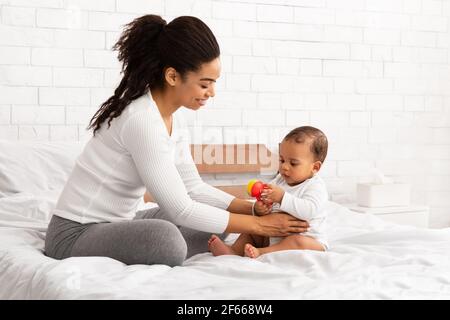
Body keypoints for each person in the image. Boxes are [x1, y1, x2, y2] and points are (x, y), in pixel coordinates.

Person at [44, 14, 309, 267]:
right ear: (172, 76)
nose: (212, 92)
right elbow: (181, 208)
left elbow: (192, 187)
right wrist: (261, 226)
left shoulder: (171, 118)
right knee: (168, 240)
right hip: (74, 234)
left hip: (118, 223)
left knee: (210, 226)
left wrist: (252, 211)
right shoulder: (141, 119)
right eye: (205, 84)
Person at [208, 126, 329, 258]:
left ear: (315, 167)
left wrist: (282, 198)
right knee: (252, 231)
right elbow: (269, 201)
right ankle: (233, 251)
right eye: (282, 160)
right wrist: (262, 207)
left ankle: (262, 252)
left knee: (295, 241)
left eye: (293, 163)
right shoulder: (279, 180)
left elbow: (309, 210)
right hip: (275, 234)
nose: (284, 167)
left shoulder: (315, 187)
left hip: (308, 240)